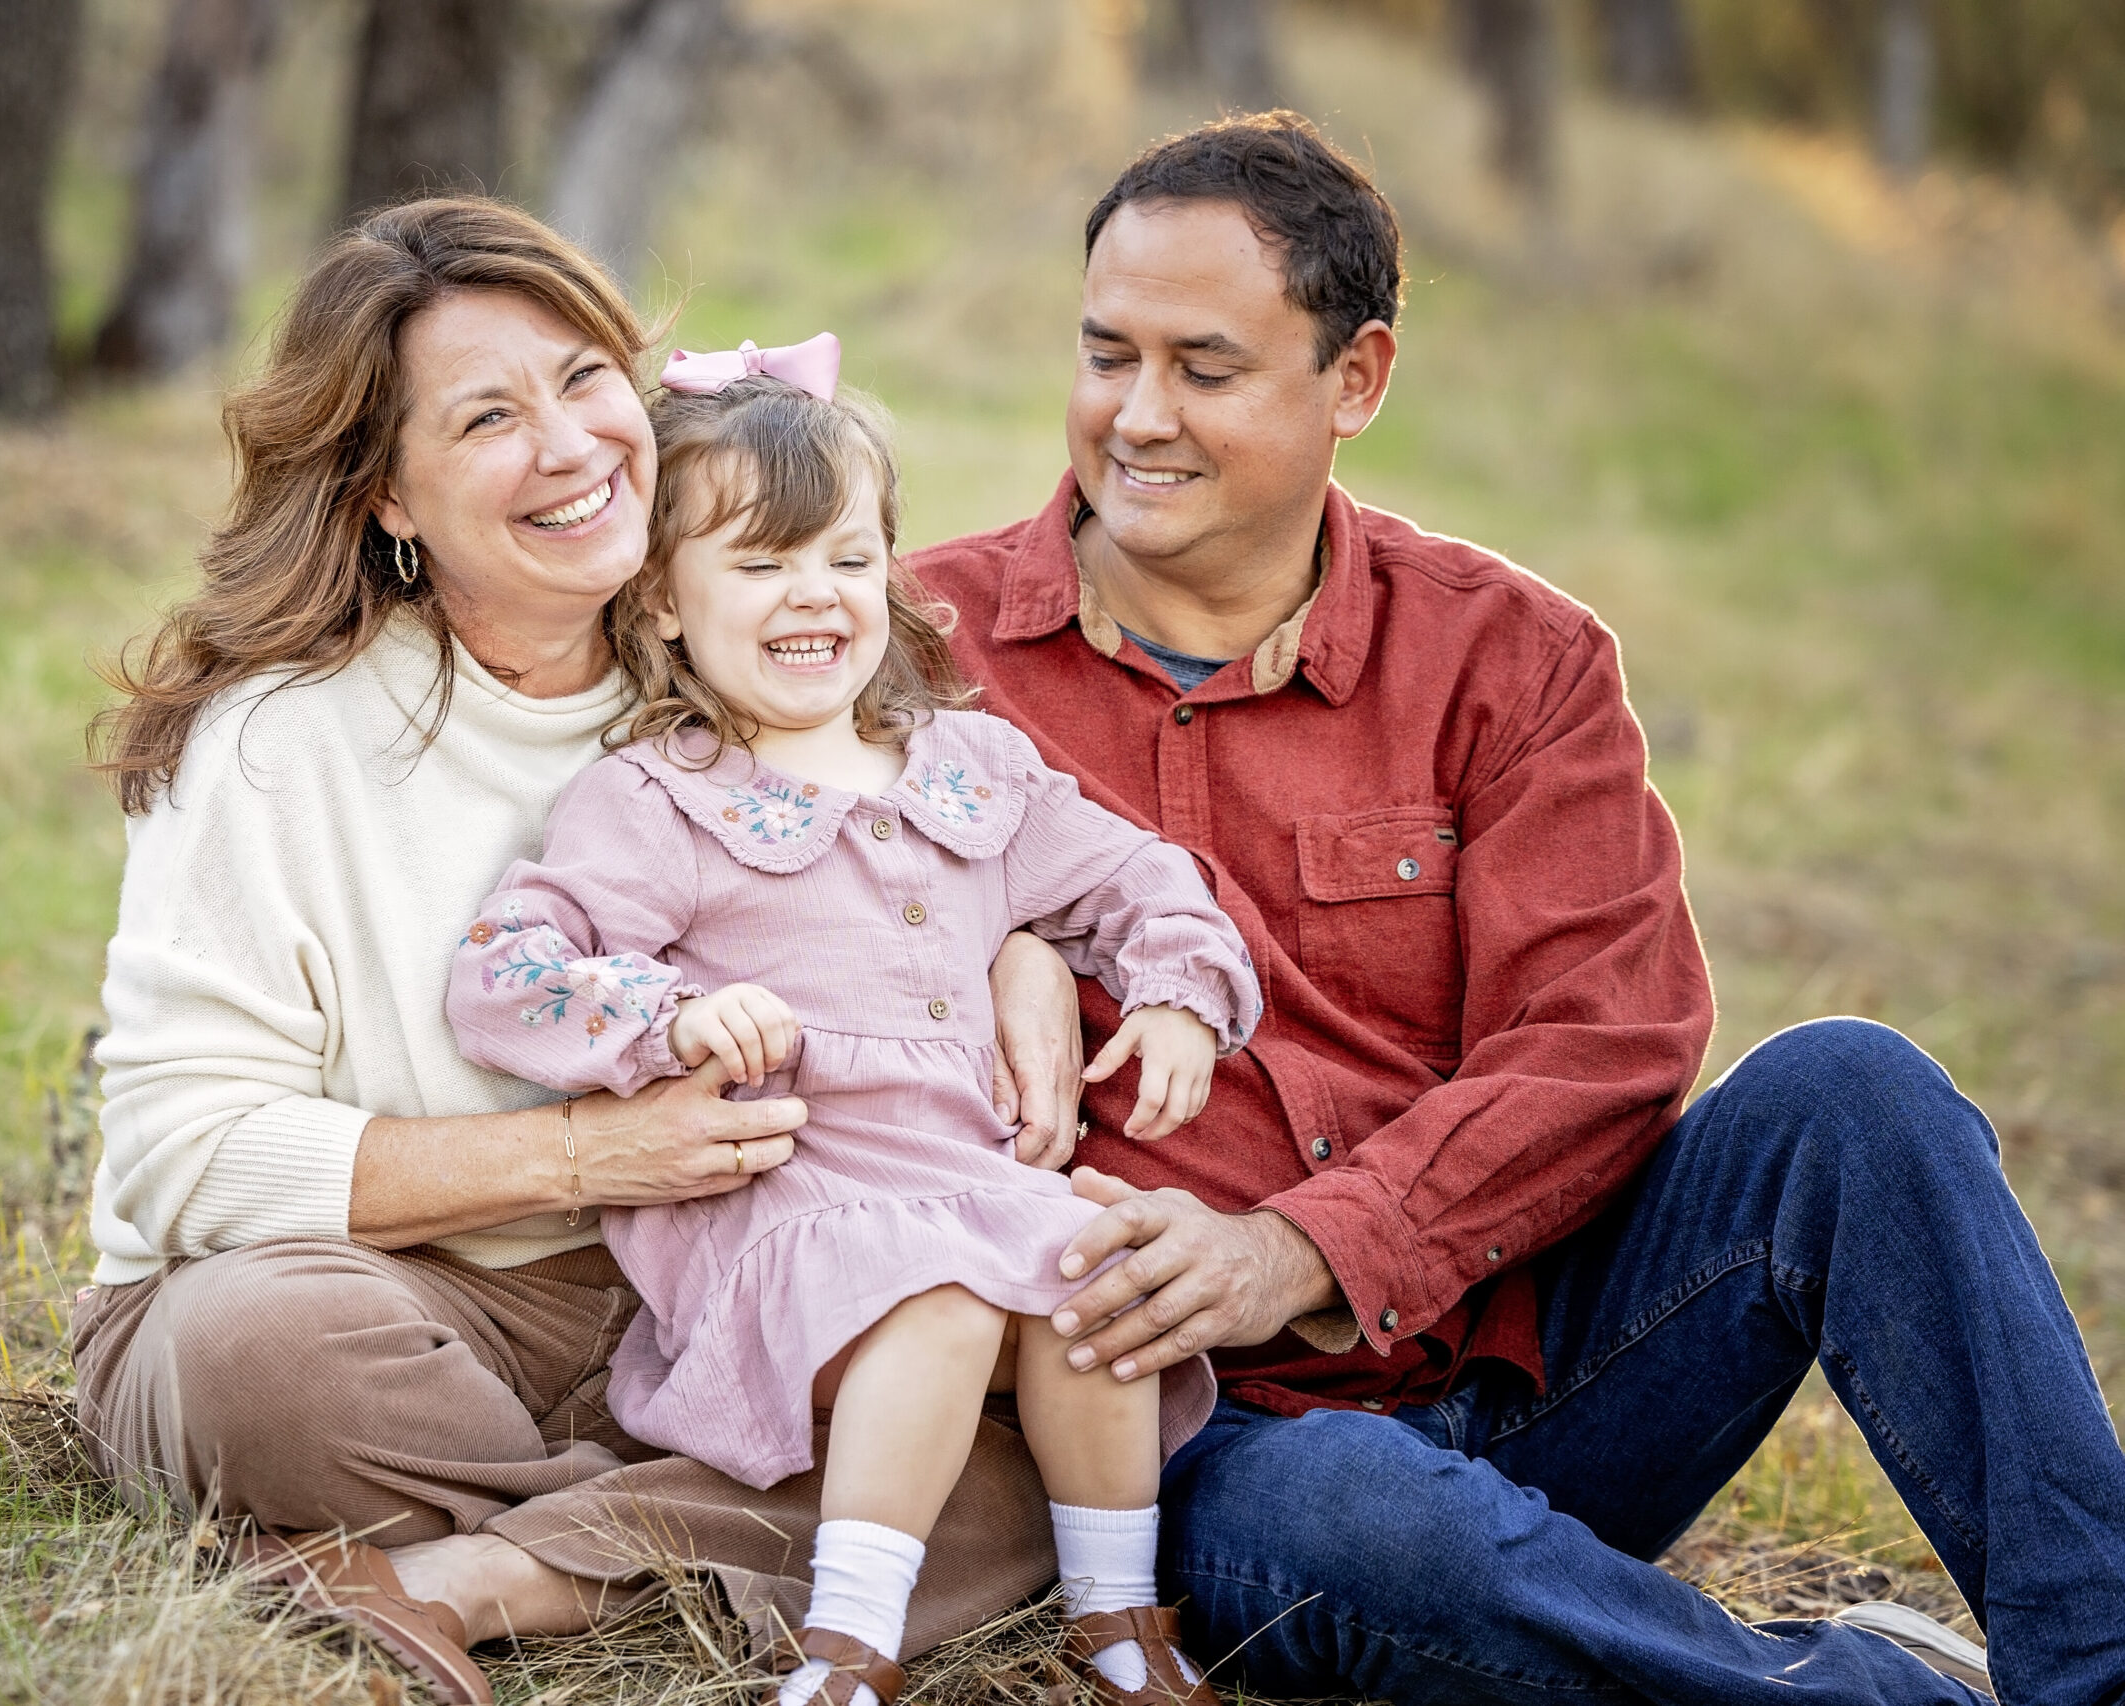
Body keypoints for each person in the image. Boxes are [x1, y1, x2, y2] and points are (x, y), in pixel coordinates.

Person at [907, 114, 2125, 1705]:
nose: (1137, 417)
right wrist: (998, 949)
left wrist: (1301, 1243)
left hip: (1541, 1368)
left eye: (1205, 367)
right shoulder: (912, 656)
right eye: (1104, 352)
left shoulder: (1512, 659)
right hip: (1213, 1453)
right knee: (1358, 1515)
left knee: (1855, 1090)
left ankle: (2094, 1664)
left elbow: (1606, 1043)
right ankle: (1868, 1693)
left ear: (1358, 380)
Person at [70, 198, 1092, 1706]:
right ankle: (674, 1527)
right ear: (389, 495)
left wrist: (1020, 949)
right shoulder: (282, 744)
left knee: (1021, 1473)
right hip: (391, 1294)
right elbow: (183, 1151)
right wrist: (581, 1157)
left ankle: (457, 1570)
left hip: (705, 1288)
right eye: (488, 415)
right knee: (253, 1357)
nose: (571, 446)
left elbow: (957, 832)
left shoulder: (740, 647)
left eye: (584, 378)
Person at [447, 349, 1252, 1706]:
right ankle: (848, 1643)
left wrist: (1177, 987)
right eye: (759, 565)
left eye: (847, 557)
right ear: (661, 599)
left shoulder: (970, 768)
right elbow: (504, 971)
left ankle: (1118, 1619)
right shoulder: (658, 800)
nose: (813, 595)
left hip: (970, 1186)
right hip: (791, 1212)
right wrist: (671, 1013)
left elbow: (1137, 878)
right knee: (930, 1299)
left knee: (1097, 1275)